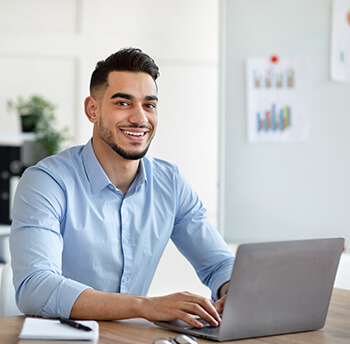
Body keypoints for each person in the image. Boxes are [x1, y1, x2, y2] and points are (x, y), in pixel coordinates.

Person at [10, 47, 235, 328]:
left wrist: (232, 291)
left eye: (149, 105)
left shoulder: (171, 183)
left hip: (130, 341)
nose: (140, 119)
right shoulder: (46, 182)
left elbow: (218, 264)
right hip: (61, 343)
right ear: (92, 109)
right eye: (123, 103)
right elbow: (36, 288)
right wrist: (144, 306)